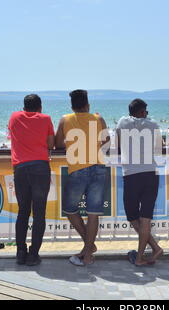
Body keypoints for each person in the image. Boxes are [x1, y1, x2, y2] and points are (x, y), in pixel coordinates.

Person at [55, 89, 110, 266]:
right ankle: (88, 252)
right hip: (99, 167)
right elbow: (107, 142)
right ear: (88, 105)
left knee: (70, 210)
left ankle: (88, 248)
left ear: (71, 106)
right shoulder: (98, 118)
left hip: (77, 169)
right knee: (93, 213)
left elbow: (56, 144)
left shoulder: (65, 119)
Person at [115, 99, 163, 266]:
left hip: (131, 174)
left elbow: (117, 142)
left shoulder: (122, 122)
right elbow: (159, 147)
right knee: (145, 218)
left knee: (133, 216)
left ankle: (143, 255)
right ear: (143, 112)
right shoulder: (154, 124)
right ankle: (152, 249)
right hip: (151, 174)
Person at [8, 94, 55, 266]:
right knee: (39, 213)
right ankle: (34, 254)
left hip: (20, 168)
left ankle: (21, 252)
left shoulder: (14, 117)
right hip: (40, 168)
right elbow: (50, 144)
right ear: (40, 107)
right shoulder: (45, 119)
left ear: (24, 106)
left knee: (23, 212)